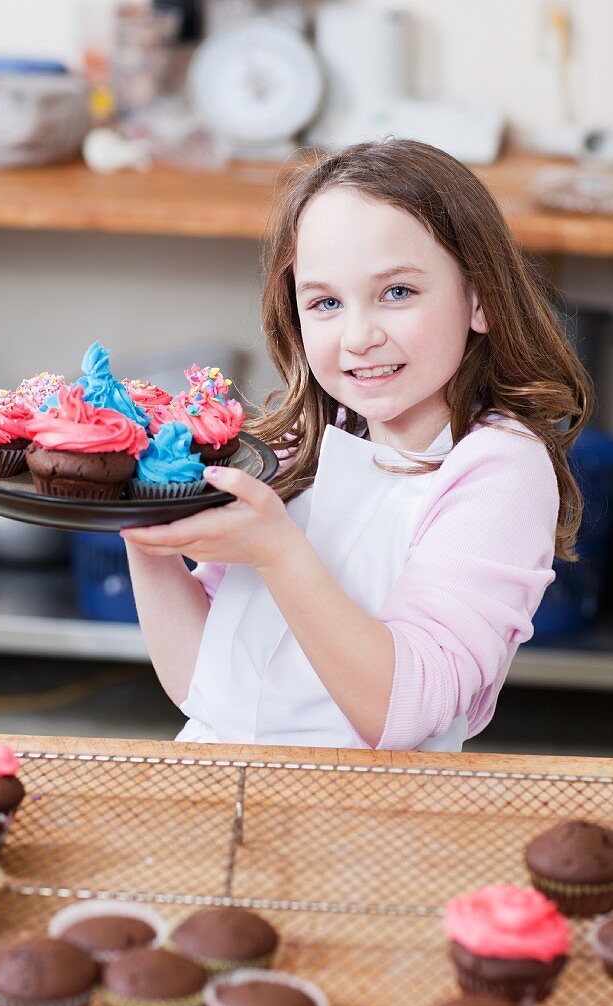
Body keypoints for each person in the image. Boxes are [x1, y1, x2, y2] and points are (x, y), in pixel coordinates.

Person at [122, 139, 592, 751]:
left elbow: (404, 715)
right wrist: (136, 520)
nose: (360, 335)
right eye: (326, 302)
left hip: (376, 813)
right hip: (218, 780)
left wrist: (278, 551)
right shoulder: (297, 443)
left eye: (397, 292)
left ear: (479, 298)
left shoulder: (499, 467)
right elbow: (202, 686)